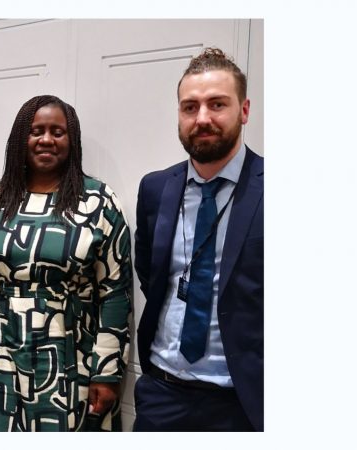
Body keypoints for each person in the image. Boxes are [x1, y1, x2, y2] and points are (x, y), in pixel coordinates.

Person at [0, 95, 133, 431]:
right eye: (37, 131)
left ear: (71, 140)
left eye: (58, 132)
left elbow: (115, 293)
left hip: (70, 353)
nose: (47, 139)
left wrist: (107, 371)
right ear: (21, 139)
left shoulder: (99, 202)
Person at [132, 47, 263, 431]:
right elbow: (151, 275)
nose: (202, 118)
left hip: (242, 403)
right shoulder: (156, 188)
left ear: (244, 110)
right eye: (190, 107)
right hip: (163, 393)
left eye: (216, 104)